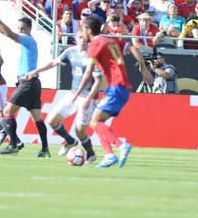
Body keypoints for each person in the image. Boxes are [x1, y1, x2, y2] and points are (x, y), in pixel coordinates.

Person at [71, 17, 152, 168]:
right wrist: (144, 69)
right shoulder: (111, 39)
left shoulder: (94, 45)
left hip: (116, 87)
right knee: (97, 122)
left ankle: (121, 146)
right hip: (121, 88)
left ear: (88, 31)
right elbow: (132, 47)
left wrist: (76, 94)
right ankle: (108, 155)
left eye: (82, 30)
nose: (81, 33)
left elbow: (88, 72)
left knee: (94, 121)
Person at [0, 7, 48, 157]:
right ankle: (45, 150)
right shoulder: (24, 42)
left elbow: (8, 33)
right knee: (37, 117)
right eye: (19, 29)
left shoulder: (27, 40)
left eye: (23, 28)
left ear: (30, 28)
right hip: (33, 83)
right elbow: (5, 32)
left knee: (7, 112)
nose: (20, 31)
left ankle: (13, 145)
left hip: (27, 83)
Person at [26, 31, 101, 163]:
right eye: (79, 38)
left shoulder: (92, 55)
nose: (82, 41)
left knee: (80, 131)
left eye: (85, 38)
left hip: (87, 97)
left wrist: (89, 98)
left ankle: (91, 153)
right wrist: (35, 71)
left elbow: (98, 81)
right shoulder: (70, 52)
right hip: (72, 93)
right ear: (75, 38)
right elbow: (53, 63)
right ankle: (70, 141)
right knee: (51, 120)